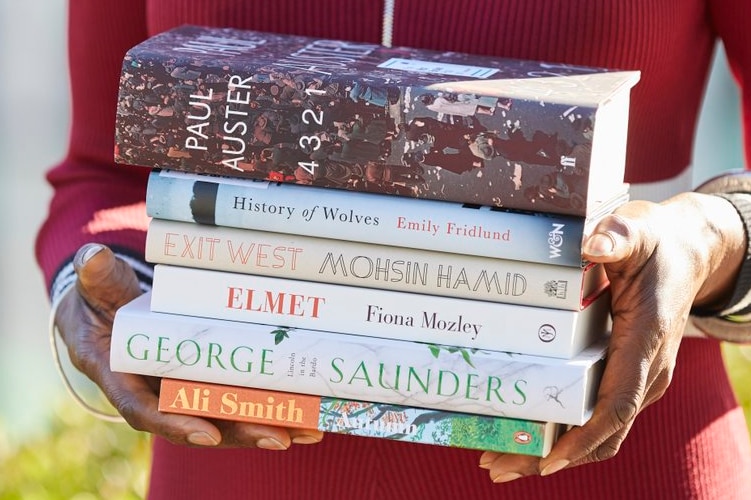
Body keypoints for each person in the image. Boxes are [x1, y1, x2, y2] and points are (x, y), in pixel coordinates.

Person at [36, 1, 751, 498]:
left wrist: (710, 237)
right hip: (232, 475)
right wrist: (97, 287)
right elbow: (106, 173)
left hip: (617, 465)